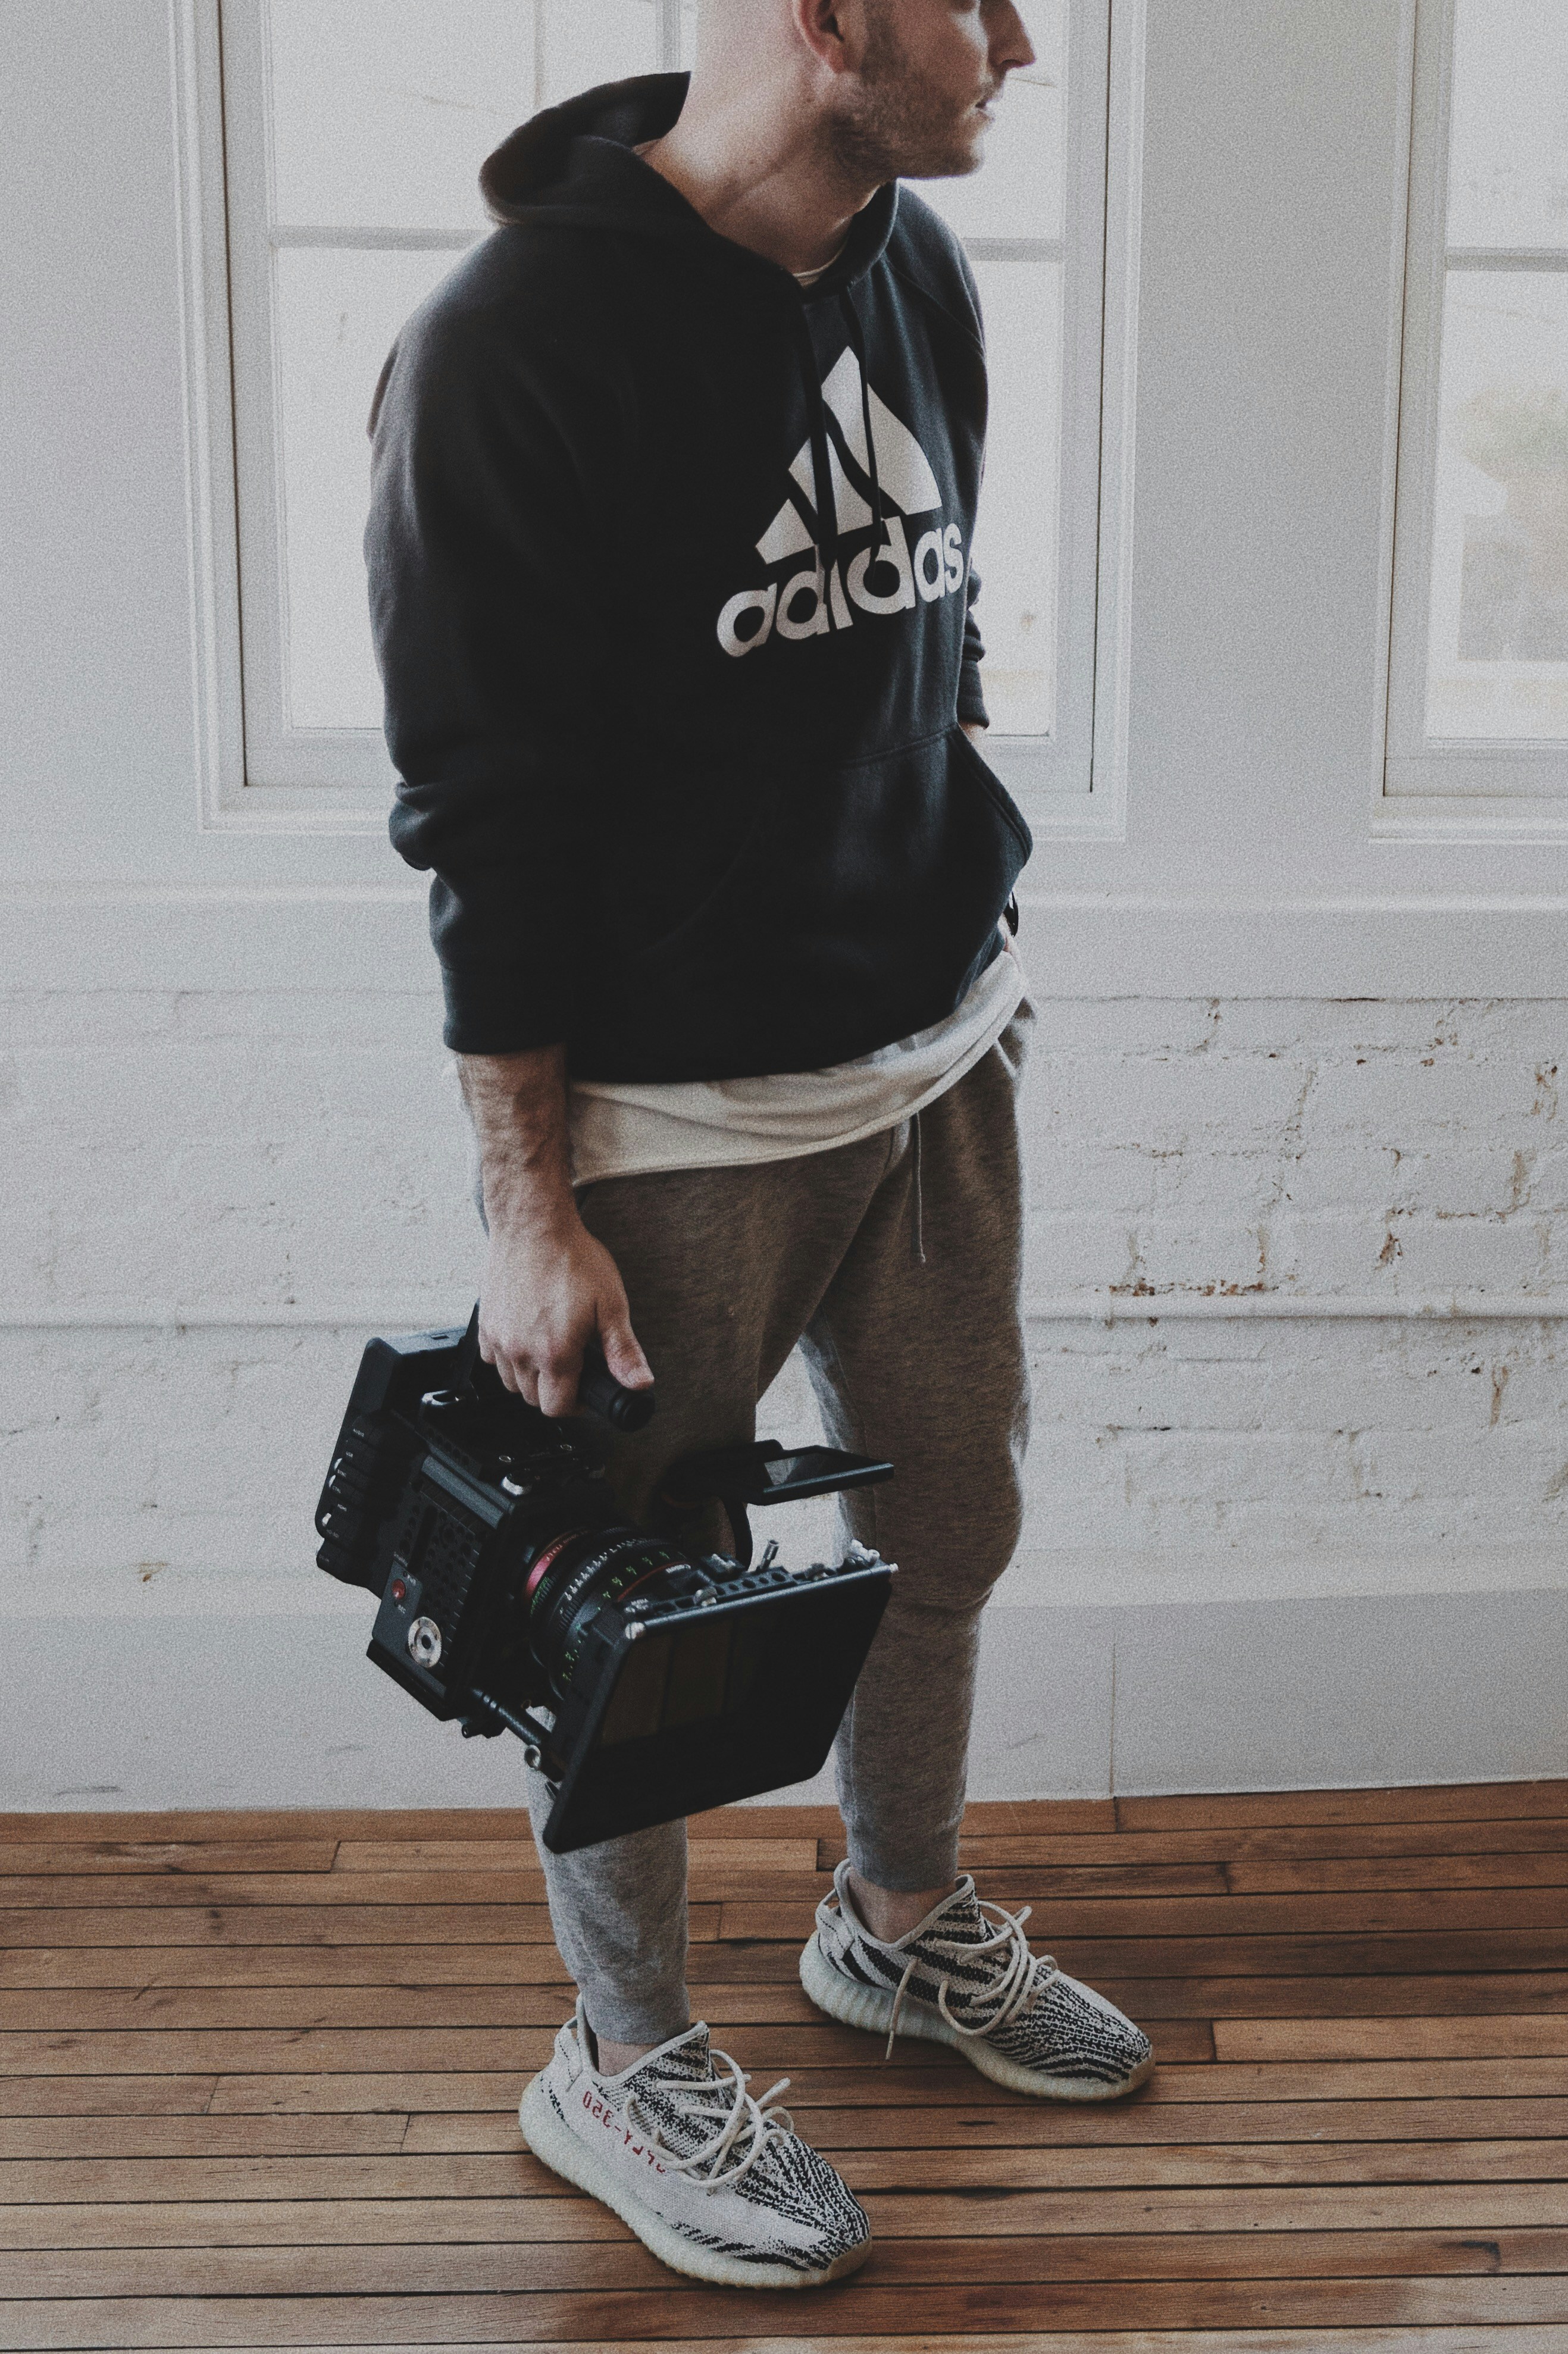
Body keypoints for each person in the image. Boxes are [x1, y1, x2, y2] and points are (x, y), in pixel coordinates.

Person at [367, 0, 1153, 2294]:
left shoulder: (910, 260)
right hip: (679, 1123)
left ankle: (894, 1921)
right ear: (825, 23)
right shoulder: (513, 347)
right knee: (617, 1614)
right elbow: (478, 824)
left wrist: (953, 910)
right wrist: (530, 1207)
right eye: (976, 3)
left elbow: (925, 640)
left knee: (954, 1505)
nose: (1020, 40)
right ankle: (617, 2052)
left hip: (935, 1051)